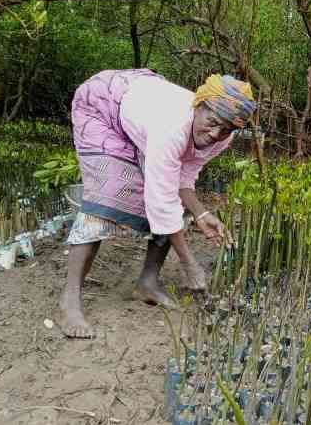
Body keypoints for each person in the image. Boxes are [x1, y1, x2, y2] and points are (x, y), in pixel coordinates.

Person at [60, 70, 256, 338]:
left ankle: (148, 283)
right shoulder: (172, 126)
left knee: (167, 197)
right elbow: (162, 201)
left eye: (226, 129)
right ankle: (70, 300)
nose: (215, 133)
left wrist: (201, 212)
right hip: (102, 105)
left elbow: (184, 176)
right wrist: (189, 263)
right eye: (212, 122)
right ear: (198, 106)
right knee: (107, 197)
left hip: (141, 108)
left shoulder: (224, 136)